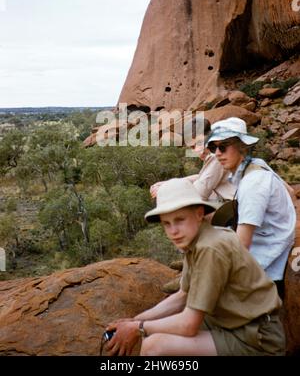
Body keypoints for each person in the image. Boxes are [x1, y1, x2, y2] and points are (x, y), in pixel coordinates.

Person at [104, 178, 285, 356]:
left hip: (255, 339)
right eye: (166, 223)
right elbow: (183, 296)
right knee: (154, 332)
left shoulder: (210, 248)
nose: (173, 231)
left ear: (199, 213)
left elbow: (189, 325)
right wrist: (135, 321)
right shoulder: (198, 240)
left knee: (154, 346)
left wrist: (137, 328)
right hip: (230, 323)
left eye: (180, 220)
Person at [206, 117, 296, 297]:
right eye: (213, 147)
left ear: (242, 147)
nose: (217, 153)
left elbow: (242, 245)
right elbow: (291, 192)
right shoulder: (256, 166)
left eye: (223, 146)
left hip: (265, 265)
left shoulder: (253, 183)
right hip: (268, 246)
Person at [150, 118, 235, 202]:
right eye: (193, 147)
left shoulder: (216, 156)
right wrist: (170, 183)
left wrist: (168, 189)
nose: (198, 151)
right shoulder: (217, 153)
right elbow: (202, 177)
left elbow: (198, 195)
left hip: (234, 207)